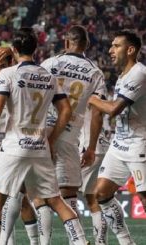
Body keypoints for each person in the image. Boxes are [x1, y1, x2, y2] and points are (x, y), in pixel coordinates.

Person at [0, 27, 86, 245]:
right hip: (40, 147)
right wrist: (51, 139)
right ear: (36, 49)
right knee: (54, 200)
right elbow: (65, 110)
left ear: (14, 50)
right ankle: (81, 241)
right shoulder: (48, 76)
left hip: (14, 146)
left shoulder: (8, 74)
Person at [33, 25, 106, 244]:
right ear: (87, 45)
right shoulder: (95, 72)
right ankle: (78, 241)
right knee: (69, 194)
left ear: (66, 43)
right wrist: (91, 146)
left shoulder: (49, 63)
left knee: (40, 194)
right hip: (69, 136)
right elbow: (97, 113)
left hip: (42, 132)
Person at [88, 29, 145, 245]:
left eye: (116, 46)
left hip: (140, 146)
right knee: (101, 193)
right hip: (119, 144)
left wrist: (91, 99)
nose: (111, 50)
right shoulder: (123, 76)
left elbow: (113, 109)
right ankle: (126, 242)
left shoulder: (139, 73)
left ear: (130, 50)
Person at [0, 49, 39, 245]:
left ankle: (28, 241)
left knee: (19, 196)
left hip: (15, 145)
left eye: (1, 66)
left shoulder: (17, 81)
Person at [78, 107, 110, 245]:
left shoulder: (83, 93)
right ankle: (100, 242)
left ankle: (79, 240)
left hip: (88, 149)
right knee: (92, 199)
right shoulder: (97, 95)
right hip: (102, 147)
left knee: (63, 196)